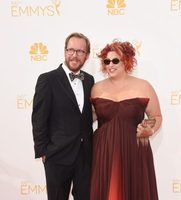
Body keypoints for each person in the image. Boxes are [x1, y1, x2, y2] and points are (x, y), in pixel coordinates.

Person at [90, 40, 162, 200]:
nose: (110, 65)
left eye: (115, 60)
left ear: (127, 61)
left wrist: (149, 129)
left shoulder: (144, 86)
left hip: (134, 150)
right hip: (104, 151)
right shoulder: (96, 88)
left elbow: (156, 116)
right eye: (106, 61)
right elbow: (88, 118)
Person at [31, 32, 94, 200]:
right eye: (71, 50)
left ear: (86, 56)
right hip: (57, 154)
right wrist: (43, 151)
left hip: (85, 155)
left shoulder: (89, 80)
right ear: (65, 51)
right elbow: (39, 118)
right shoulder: (48, 79)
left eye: (80, 51)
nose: (75, 55)